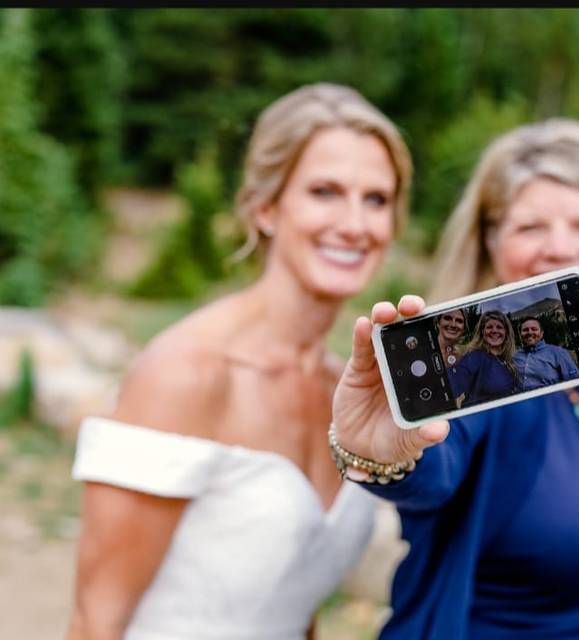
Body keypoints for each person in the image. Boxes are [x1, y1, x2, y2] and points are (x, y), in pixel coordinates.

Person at [327, 118, 579, 639]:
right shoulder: (483, 382)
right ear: (491, 246)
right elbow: (434, 465)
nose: (558, 248)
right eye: (530, 227)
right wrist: (389, 454)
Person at [66, 82, 413, 640]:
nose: (355, 223)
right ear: (265, 207)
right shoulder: (184, 373)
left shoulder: (346, 391)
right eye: (325, 191)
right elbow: (94, 622)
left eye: (376, 199)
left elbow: (292, 603)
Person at [448, 309, 520, 407]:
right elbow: (453, 386)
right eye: (489, 327)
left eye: (499, 327)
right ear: (483, 332)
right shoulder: (475, 357)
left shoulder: (508, 361)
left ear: (506, 332)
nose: (494, 331)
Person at [513, 316, 579, 390]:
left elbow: (575, 383)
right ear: (520, 334)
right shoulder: (515, 356)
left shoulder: (558, 352)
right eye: (525, 330)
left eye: (534, 329)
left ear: (541, 333)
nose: (530, 332)